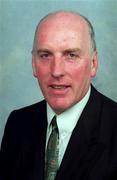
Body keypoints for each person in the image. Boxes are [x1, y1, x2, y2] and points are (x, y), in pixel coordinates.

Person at [0, 10, 117, 180]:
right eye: (45, 55)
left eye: (71, 55)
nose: (56, 71)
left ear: (93, 63)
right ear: (34, 64)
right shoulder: (18, 123)